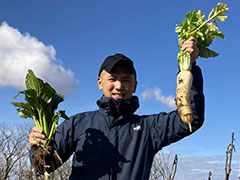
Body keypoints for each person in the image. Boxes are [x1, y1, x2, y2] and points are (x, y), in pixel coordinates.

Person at [29, 37, 204, 180]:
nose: (119, 85)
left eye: (126, 80)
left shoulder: (149, 128)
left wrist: (191, 68)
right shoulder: (78, 123)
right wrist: (37, 149)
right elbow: (44, 166)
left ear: (135, 86)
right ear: (100, 83)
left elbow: (191, 119)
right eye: (112, 79)